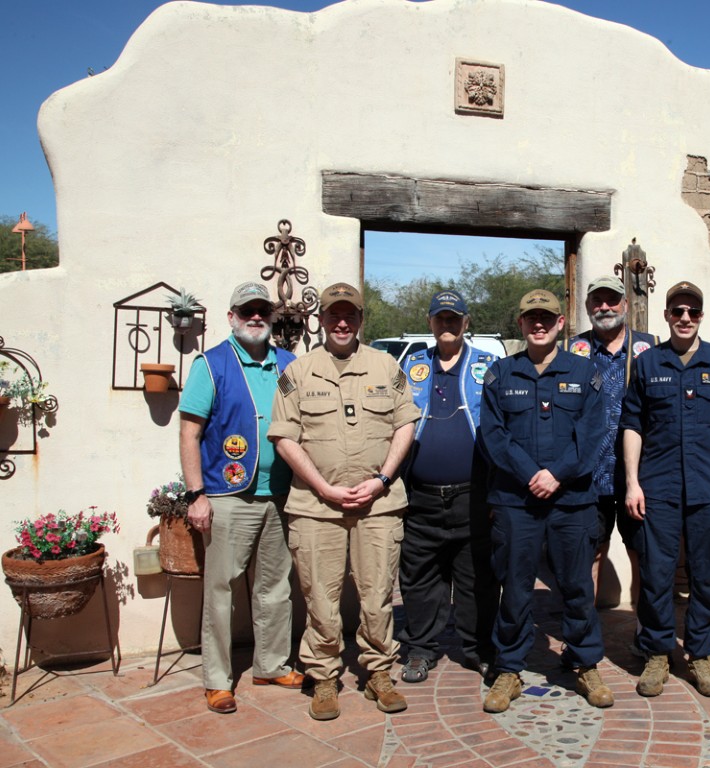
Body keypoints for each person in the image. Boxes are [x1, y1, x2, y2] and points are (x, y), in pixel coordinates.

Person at [269, 282, 419, 722]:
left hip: (379, 505)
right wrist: (323, 487)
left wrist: (382, 478)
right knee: (320, 597)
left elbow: (405, 425)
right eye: (333, 314)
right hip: (317, 508)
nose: (341, 322)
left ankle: (379, 673)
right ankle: (325, 677)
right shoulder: (298, 372)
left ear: (360, 319)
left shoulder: (386, 366)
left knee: (377, 596)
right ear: (321, 319)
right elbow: (284, 437)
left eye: (349, 314)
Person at [478, 289, 612, 714]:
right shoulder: (501, 374)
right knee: (515, 588)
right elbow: (493, 436)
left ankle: (585, 661)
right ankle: (509, 668)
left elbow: (593, 436)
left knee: (576, 587)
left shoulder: (585, 372)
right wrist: (530, 473)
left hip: (571, 500)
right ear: (520, 324)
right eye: (530, 318)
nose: (538, 324)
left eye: (547, 318)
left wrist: (556, 474)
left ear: (560, 324)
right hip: (516, 500)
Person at [178, 281, 302, 715]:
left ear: (271, 317)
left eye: (262, 311)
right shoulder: (211, 365)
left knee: (275, 587)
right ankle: (216, 679)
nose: (255, 317)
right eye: (246, 310)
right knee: (221, 589)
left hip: (281, 494)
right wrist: (196, 494)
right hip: (228, 494)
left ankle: (271, 663)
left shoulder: (289, 364)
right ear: (231, 317)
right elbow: (190, 433)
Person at [621, 280, 710, 698]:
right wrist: (633, 483)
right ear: (667, 316)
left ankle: (699, 652)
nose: (686, 319)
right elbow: (633, 426)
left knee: (709, 575)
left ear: (700, 316)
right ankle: (657, 653)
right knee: (656, 575)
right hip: (657, 487)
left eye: (693, 311)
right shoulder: (647, 363)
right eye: (678, 311)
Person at [397, 289, 499, 683]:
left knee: (477, 579)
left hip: (473, 495)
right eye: (440, 318)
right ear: (430, 322)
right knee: (421, 578)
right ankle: (421, 649)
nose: (447, 325)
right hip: (420, 496)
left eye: (454, 319)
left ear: (466, 323)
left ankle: (479, 649)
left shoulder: (487, 366)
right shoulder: (411, 366)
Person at [565, 275, 657, 607]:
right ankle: (583, 636)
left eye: (612, 300)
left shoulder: (651, 348)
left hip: (639, 478)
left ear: (626, 305)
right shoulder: (573, 351)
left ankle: (644, 636)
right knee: (589, 555)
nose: (605, 307)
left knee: (642, 555)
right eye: (597, 301)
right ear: (588, 306)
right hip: (588, 477)